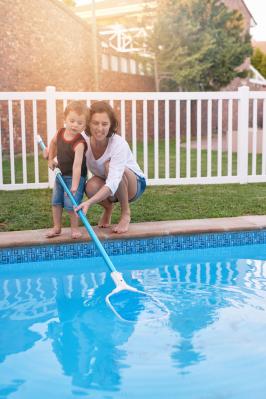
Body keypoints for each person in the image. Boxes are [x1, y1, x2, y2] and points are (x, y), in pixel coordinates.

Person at [75, 101, 146, 234]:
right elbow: (64, 143)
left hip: (133, 184)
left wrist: (89, 203)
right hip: (108, 184)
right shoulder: (82, 139)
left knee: (109, 166)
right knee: (90, 186)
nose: (99, 128)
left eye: (104, 124)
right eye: (95, 123)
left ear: (111, 125)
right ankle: (108, 208)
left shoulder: (118, 144)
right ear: (89, 123)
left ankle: (125, 213)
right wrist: (52, 158)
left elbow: (114, 180)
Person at [45, 101, 89, 239]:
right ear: (65, 119)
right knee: (56, 201)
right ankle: (57, 227)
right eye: (72, 120)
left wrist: (75, 186)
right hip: (60, 173)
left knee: (72, 203)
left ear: (85, 126)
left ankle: (74, 229)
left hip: (75, 177)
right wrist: (51, 159)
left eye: (80, 123)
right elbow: (52, 144)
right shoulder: (60, 132)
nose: (75, 125)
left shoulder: (79, 143)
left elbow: (77, 165)